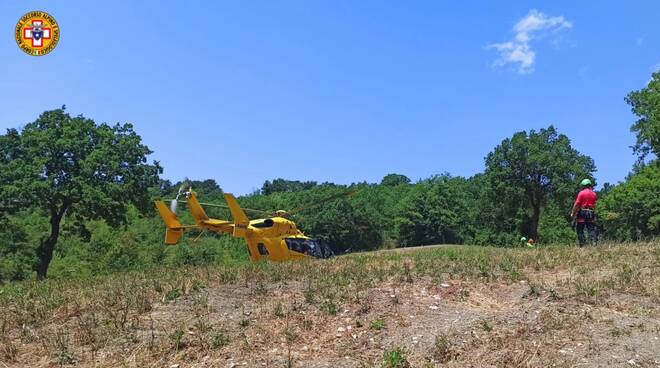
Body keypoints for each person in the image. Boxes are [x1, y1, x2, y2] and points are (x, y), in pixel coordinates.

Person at [570, 179, 598, 247]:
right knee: (591, 228)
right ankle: (593, 242)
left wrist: (573, 213)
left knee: (580, 229)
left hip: (582, 212)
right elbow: (595, 205)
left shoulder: (581, 193)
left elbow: (577, 204)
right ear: (590, 185)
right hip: (591, 212)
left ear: (583, 185)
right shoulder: (594, 194)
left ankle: (583, 244)